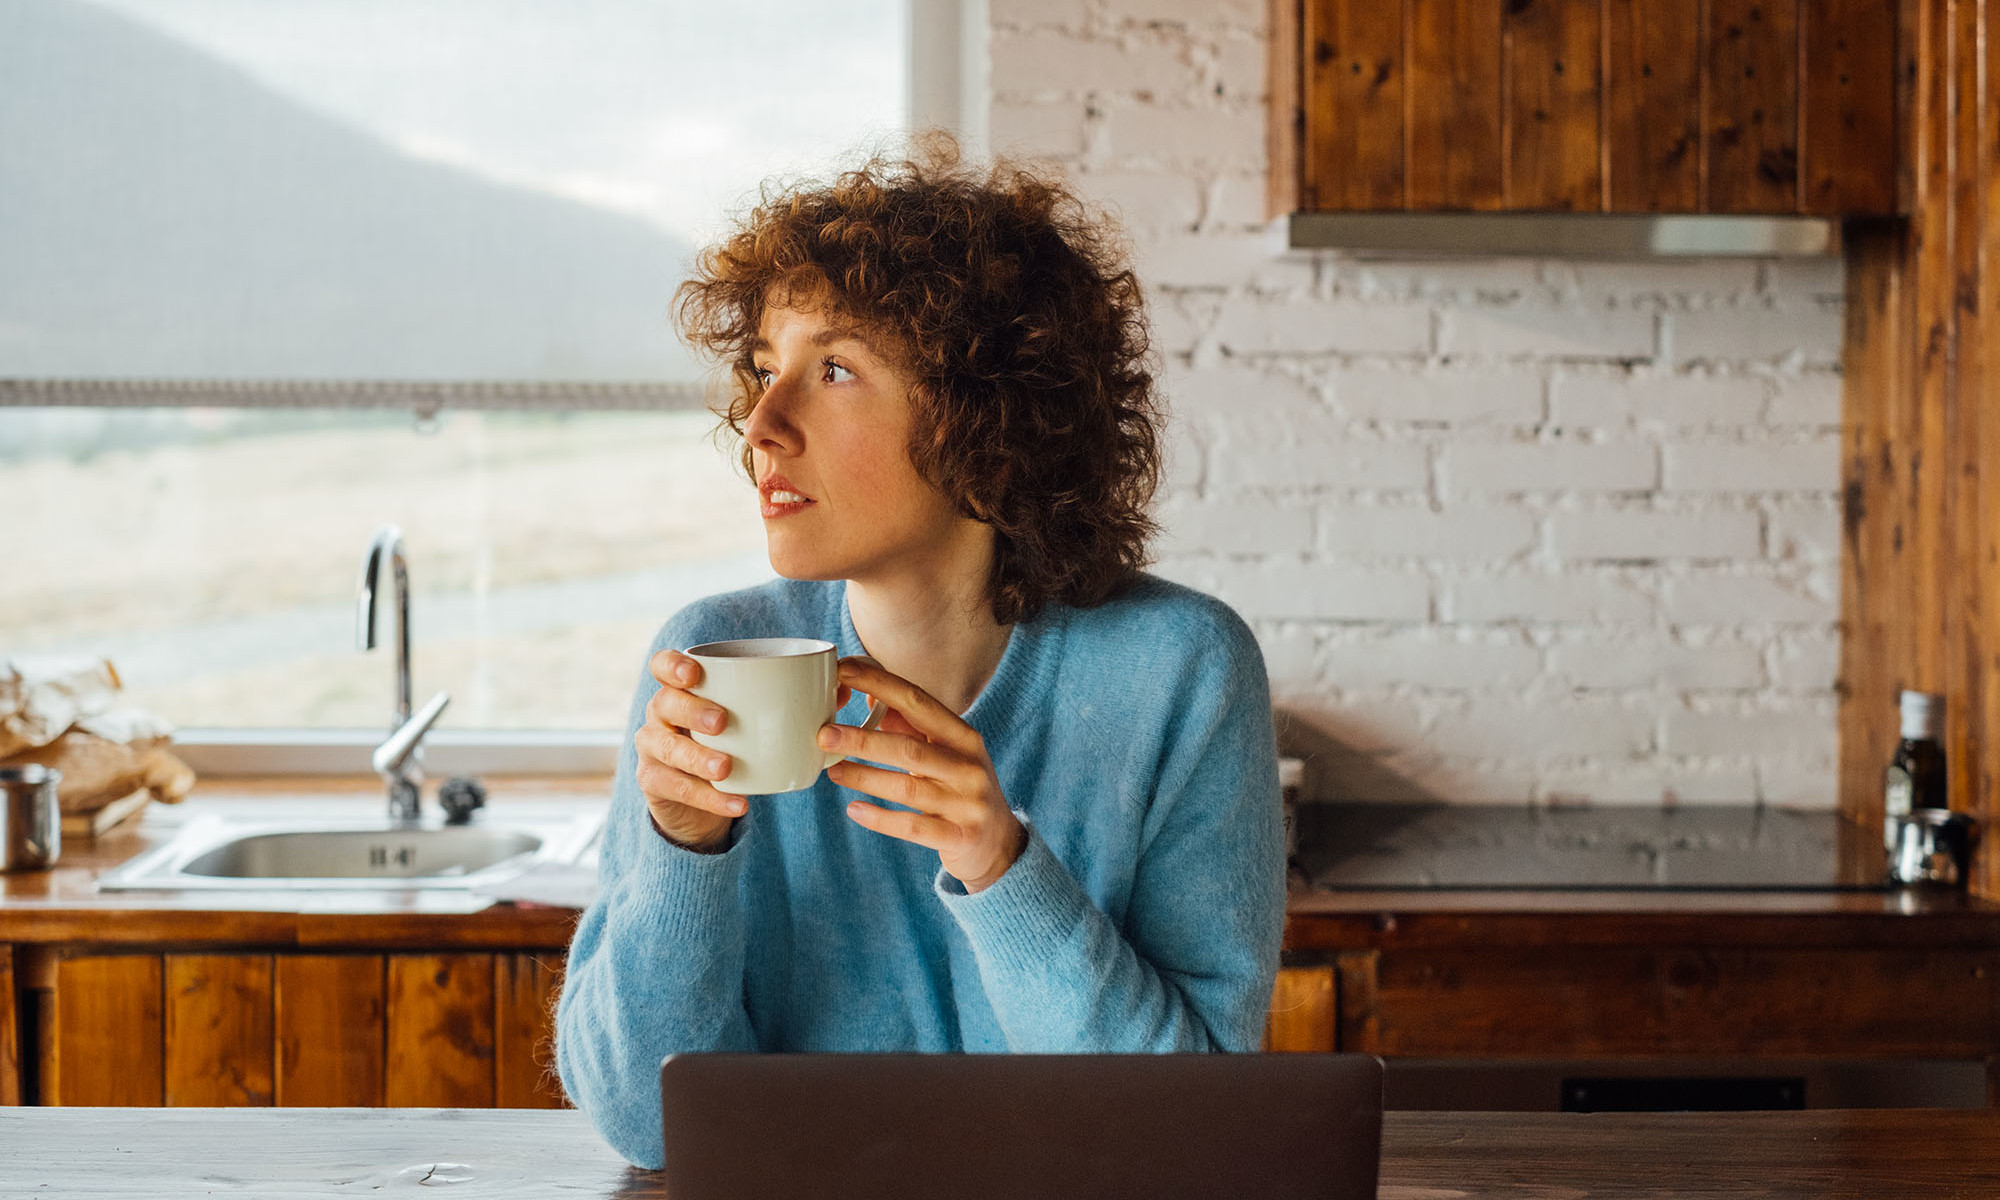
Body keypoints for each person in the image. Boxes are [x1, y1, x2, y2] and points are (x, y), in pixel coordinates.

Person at [555, 136, 1285, 1169]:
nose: (760, 423)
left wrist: (1002, 866)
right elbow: (644, 1124)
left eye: (834, 369)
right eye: (765, 370)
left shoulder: (1179, 671)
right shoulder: (713, 660)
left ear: (986, 421)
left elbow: (1190, 1128)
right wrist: (682, 853)